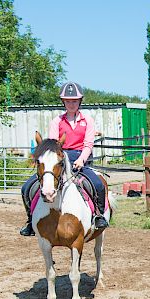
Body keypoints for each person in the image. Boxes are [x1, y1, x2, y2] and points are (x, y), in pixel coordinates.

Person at [19, 82, 109, 236]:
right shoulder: (57, 121)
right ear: (63, 102)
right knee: (27, 187)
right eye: (68, 101)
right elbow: (54, 146)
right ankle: (30, 221)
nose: (71, 104)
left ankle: (98, 216)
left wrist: (81, 160)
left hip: (81, 159)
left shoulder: (88, 121)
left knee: (97, 185)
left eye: (74, 101)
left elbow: (88, 144)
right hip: (59, 160)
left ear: (80, 101)